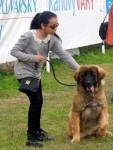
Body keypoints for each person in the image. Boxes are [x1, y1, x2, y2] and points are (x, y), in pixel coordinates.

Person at [10, 11, 79, 147]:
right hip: (23, 72)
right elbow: (14, 52)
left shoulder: (51, 39)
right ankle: (31, 136)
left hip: (36, 74)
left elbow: (64, 55)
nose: (55, 29)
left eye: (56, 25)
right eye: (52, 26)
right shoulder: (28, 36)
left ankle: (37, 132)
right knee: (35, 101)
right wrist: (32, 57)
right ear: (42, 26)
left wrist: (80, 70)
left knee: (39, 101)